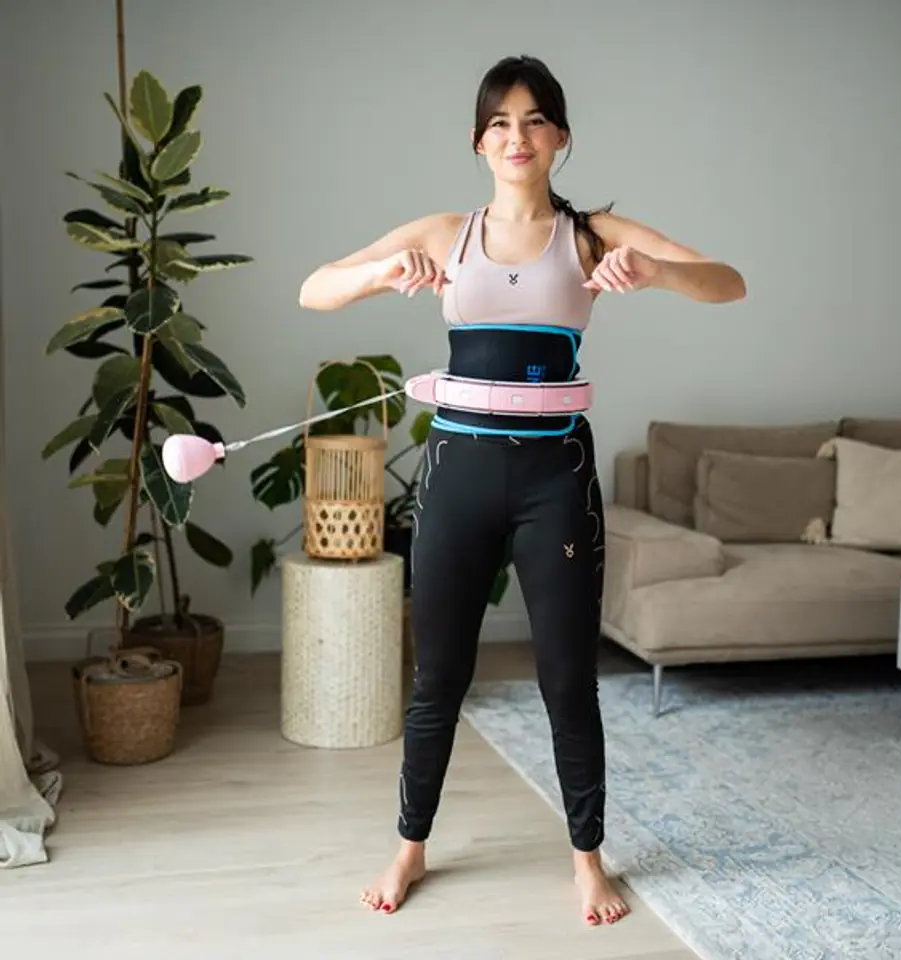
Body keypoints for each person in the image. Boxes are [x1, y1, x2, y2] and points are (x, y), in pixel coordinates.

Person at [299, 54, 746, 926]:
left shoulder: (591, 236)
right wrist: (380, 276)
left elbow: (728, 282)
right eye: (500, 122)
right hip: (458, 475)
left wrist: (655, 273)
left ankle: (587, 861)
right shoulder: (445, 235)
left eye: (535, 119)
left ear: (560, 137)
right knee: (438, 677)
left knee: (568, 679)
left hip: (554, 481)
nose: (518, 135)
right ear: (479, 141)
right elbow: (315, 289)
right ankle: (409, 847)